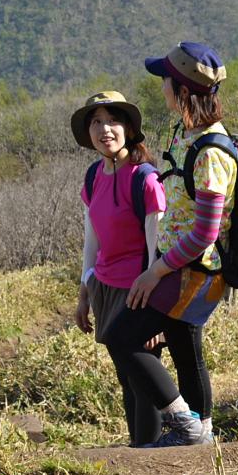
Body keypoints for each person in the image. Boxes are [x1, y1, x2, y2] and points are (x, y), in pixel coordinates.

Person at [105, 41, 236, 447]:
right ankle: (203, 433)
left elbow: (204, 234)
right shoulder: (188, 132)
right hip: (181, 268)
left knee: (121, 337)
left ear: (181, 91)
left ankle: (184, 425)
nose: (161, 85)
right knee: (184, 346)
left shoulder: (212, 152)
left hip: (190, 272)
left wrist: (155, 269)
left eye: (165, 79)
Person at [70, 91, 166, 447]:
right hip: (105, 288)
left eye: (112, 121)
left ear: (128, 128)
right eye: (96, 122)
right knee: (126, 376)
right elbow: (91, 241)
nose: (104, 129)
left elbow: (157, 249)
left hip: (140, 290)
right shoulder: (94, 176)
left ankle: (149, 449)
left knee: (142, 376)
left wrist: (155, 313)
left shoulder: (146, 179)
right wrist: (83, 293)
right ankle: (139, 446)